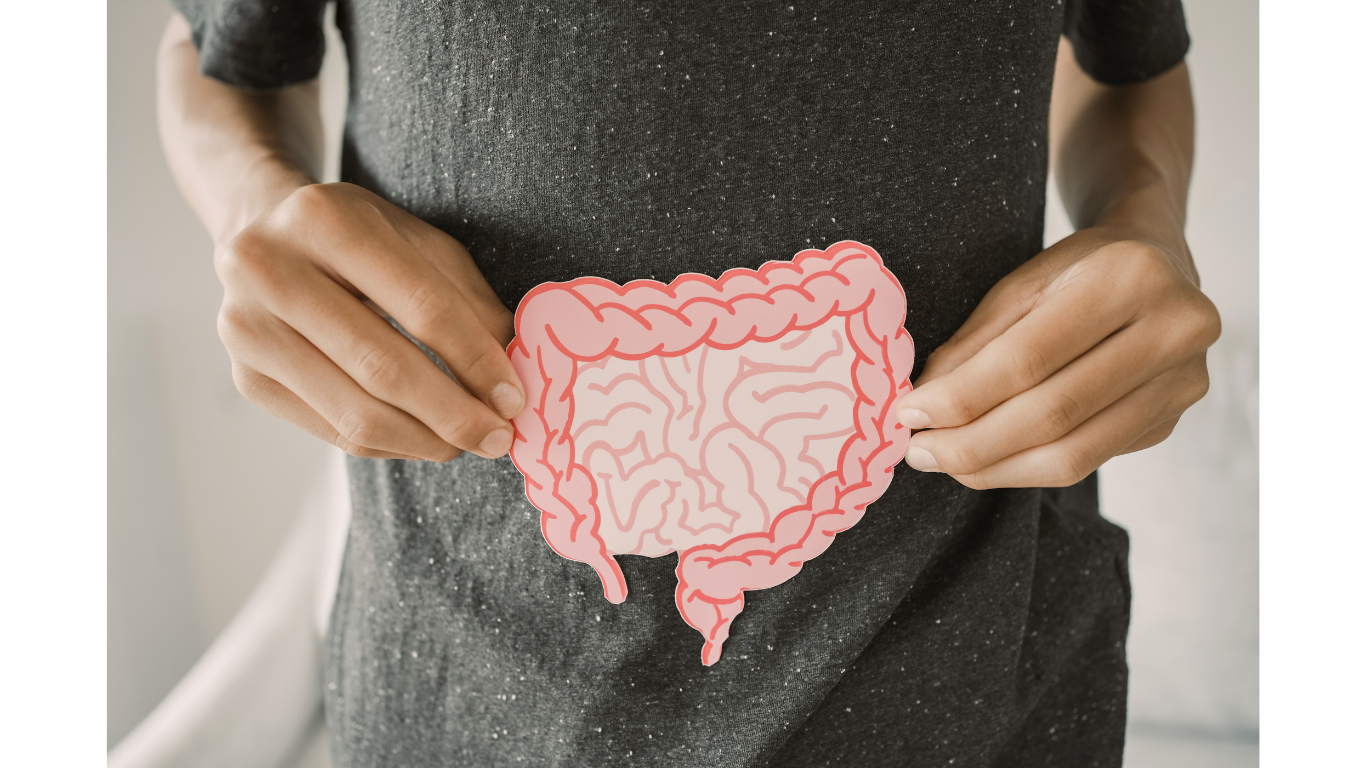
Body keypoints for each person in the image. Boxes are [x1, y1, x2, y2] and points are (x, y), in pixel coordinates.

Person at [157, 0, 1219, 764]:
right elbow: (221, 60)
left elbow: (1129, 68)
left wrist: (1145, 220)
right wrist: (253, 205)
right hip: (468, 684)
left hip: (973, 673)